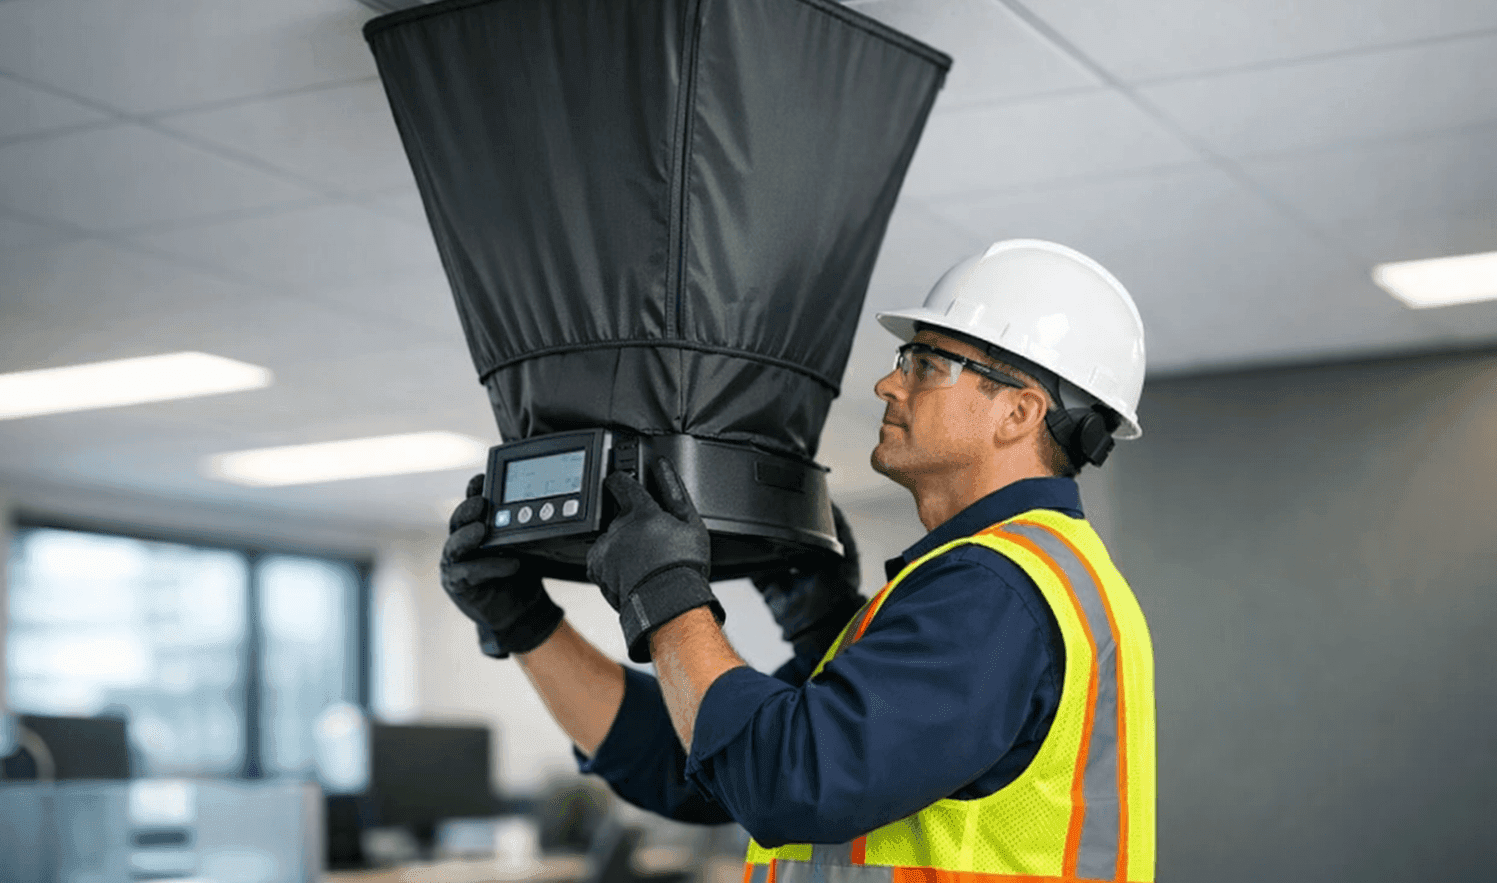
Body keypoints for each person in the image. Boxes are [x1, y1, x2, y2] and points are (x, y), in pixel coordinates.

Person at [441, 239, 1156, 882]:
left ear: (1020, 413)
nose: (889, 383)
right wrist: (526, 624)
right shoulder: (1010, 579)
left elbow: (789, 783)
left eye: (928, 364)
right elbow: (686, 767)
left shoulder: (997, 591)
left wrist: (665, 593)